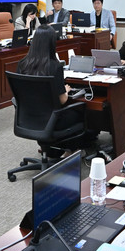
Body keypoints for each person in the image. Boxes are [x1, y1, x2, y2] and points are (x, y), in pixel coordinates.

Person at [16, 25, 84, 156]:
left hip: (28, 118)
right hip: (52, 120)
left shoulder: (22, 64)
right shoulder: (55, 66)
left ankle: (48, 147)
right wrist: (66, 90)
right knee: (81, 111)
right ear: (52, 44)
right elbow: (62, 100)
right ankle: (71, 149)